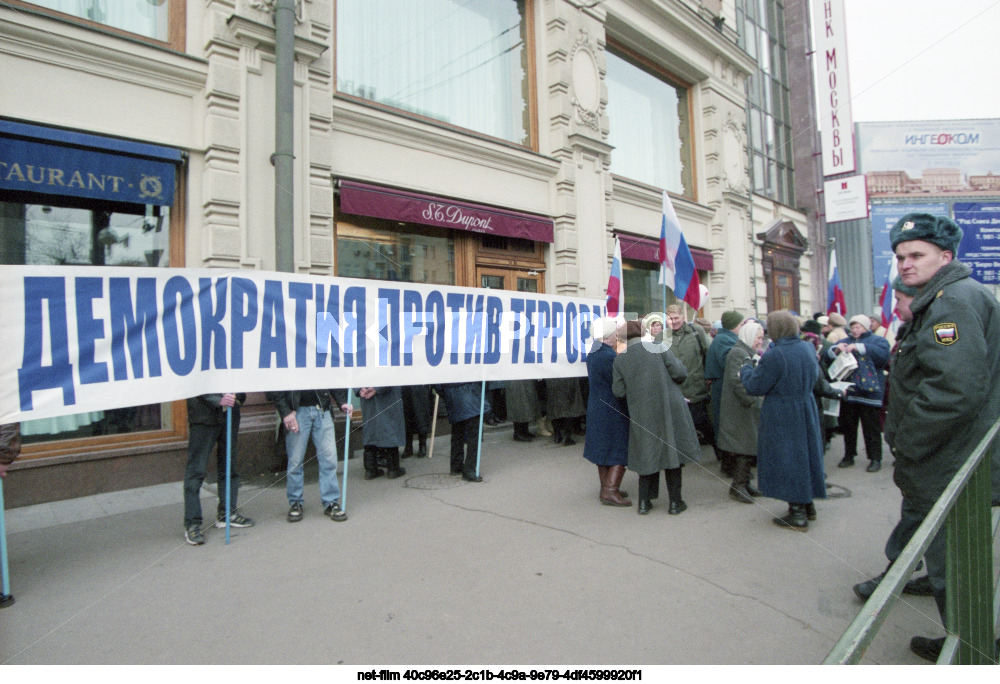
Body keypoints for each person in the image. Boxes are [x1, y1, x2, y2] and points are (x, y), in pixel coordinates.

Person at [853, 213, 1000, 662]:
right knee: (959, 558)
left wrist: (908, 444)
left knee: (951, 561)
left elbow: (954, 389)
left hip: (947, 457)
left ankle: (970, 649)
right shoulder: (950, 297)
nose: (906, 264)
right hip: (955, 452)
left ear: (945, 255)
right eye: (900, 256)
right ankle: (970, 637)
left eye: (917, 255)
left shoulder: (951, 302)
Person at [740, 310, 826, 530]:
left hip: (783, 411)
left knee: (788, 459)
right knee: (805, 456)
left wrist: (747, 370)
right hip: (805, 406)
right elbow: (815, 377)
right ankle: (808, 505)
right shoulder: (807, 347)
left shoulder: (775, 354)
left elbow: (755, 386)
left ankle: (797, 514)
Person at [612, 320, 702, 515]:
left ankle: (644, 503)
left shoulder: (620, 359)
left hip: (641, 411)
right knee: (673, 454)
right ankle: (675, 503)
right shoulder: (658, 347)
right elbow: (679, 373)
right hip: (670, 407)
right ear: (642, 332)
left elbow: (618, 391)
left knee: (647, 453)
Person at [266, 389, 351, 522]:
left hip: (321, 409)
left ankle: (330, 502)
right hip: (297, 411)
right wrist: (286, 412)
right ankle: (296, 502)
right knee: (295, 461)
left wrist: (342, 402)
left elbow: (331, 376)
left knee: (329, 459)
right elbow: (276, 386)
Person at [182, 393, 254, 545]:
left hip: (229, 414)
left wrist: (239, 397)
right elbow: (196, 381)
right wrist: (217, 400)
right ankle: (192, 524)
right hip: (203, 416)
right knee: (196, 470)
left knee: (229, 465)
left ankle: (227, 512)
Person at [825, 314, 890, 472]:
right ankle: (849, 455)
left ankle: (875, 458)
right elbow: (827, 355)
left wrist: (860, 347)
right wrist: (835, 349)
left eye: (858, 327)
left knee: (871, 428)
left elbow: (883, 357)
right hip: (850, 392)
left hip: (870, 392)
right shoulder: (845, 341)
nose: (854, 330)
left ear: (866, 327)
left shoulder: (878, 341)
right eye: (852, 327)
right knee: (848, 426)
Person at [583, 318, 630, 506]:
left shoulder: (594, 352)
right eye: (614, 332)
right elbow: (619, 384)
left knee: (603, 449)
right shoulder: (608, 356)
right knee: (619, 447)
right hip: (612, 407)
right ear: (608, 334)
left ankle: (607, 486)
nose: (617, 335)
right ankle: (610, 491)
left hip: (598, 406)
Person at [717, 320, 764, 503]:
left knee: (747, 445)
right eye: (758, 338)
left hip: (742, 406)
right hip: (740, 408)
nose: (760, 341)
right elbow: (737, 381)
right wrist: (752, 400)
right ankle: (738, 485)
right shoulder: (739, 353)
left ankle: (743, 483)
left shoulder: (744, 351)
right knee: (745, 446)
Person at [665, 304, 718, 463]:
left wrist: (709, 377)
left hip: (696, 387)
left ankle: (722, 456)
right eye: (670, 319)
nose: (673, 322)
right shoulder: (662, 337)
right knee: (677, 427)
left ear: (683, 317)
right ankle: (678, 459)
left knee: (703, 423)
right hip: (675, 389)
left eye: (676, 318)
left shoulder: (696, 332)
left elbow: (708, 355)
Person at [704, 310, 745, 476]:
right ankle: (728, 464)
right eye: (741, 324)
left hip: (723, 384)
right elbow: (729, 362)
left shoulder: (725, 338)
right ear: (734, 325)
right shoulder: (724, 340)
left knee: (726, 424)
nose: (742, 327)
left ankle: (729, 463)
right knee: (727, 425)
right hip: (723, 386)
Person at [436, 382, 488, 482]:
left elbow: (437, 383)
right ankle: (469, 469)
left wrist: (446, 393)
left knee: (457, 430)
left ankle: (456, 466)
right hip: (470, 392)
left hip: (451, 394)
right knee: (474, 433)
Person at [356, 386, 407, 480]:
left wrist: (360, 389)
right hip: (387, 394)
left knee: (370, 429)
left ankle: (370, 470)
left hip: (366, 393)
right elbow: (392, 372)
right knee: (390, 426)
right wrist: (377, 389)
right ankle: (393, 469)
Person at [401, 384, 434, 458]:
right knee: (407, 416)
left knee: (421, 416)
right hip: (406, 387)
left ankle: (422, 445)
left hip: (420, 387)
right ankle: (408, 446)